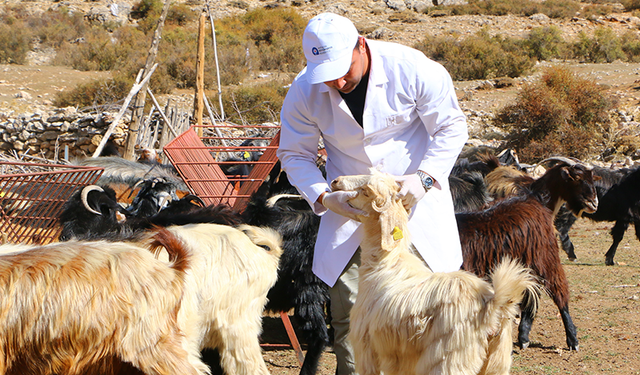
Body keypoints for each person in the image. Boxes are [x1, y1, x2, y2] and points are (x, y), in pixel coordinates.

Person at [277, 12, 468, 375]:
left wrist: (425, 177)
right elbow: (294, 153)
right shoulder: (304, 90)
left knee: (426, 313)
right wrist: (322, 197)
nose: (336, 80)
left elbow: (451, 126)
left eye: (343, 68)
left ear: (361, 46)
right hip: (352, 217)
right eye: (326, 74)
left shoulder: (410, 68)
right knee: (351, 316)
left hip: (414, 211)